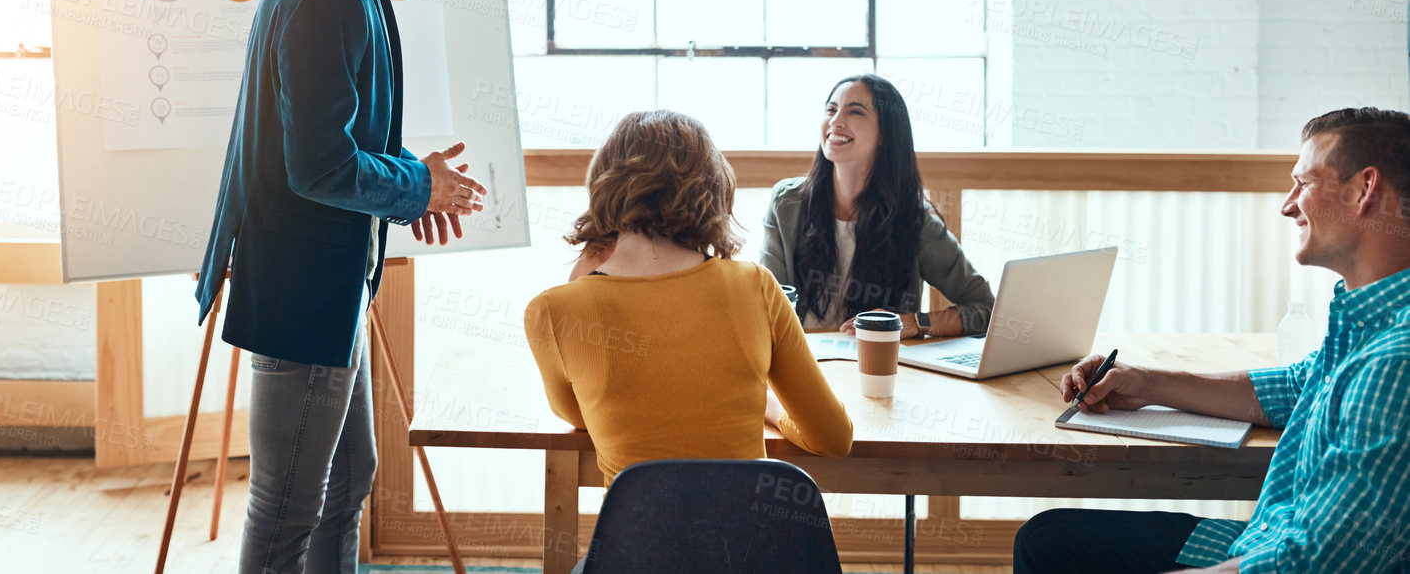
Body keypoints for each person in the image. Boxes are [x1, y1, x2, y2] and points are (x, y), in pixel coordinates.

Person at [195, 0, 489, 574]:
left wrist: (412, 179)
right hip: (305, 290)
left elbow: (342, 137)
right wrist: (417, 185)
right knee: (288, 505)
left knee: (347, 478)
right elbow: (321, 165)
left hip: (330, 288)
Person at [1012, 107, 1410, 574]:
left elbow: (1315, 564)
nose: (1287, 205)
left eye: (1302, 183)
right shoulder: (1368, 319)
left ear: (1364, 190)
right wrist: (1144, 381)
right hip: (1270, 536)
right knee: (1047, 539)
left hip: (1277, 557)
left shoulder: (1393, 362)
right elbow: (1294, 388)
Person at [523, 109, 854, 501]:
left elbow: (580, 416)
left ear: (604, 183)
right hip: (751, 555)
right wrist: (769, 410)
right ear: (713, 188)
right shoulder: (757, 287)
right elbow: (833, 437)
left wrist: (581, 281)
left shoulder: (551, 311)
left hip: (636, 558)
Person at [758, 74, 994, 338]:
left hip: (880, 368)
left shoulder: (913, 218)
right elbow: (766, 304)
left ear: (886, 134)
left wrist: (916, 322)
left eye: (855, 112)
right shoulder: (787, 203)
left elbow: (985, 308)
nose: (836, 121)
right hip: (802, 363)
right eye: (831, 110)